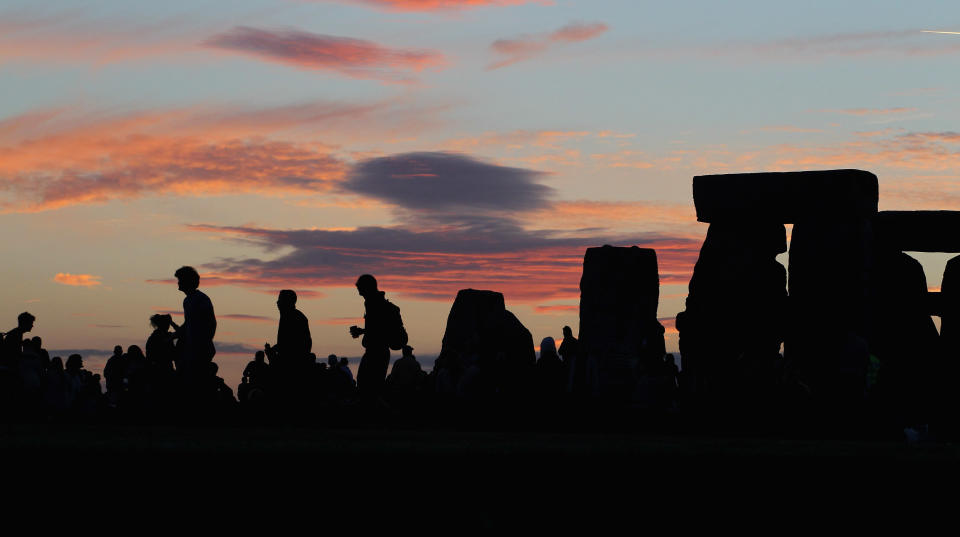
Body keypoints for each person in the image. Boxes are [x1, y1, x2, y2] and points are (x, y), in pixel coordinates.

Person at [349, 274, 401, 405]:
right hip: (377, 350)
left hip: (377, 351)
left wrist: (364, 332)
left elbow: (378, 328)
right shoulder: (374, 303)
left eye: (360, 288)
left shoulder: (374, 304)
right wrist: (363, 331)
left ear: (367, 287)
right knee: (370, 386)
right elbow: (378, 327)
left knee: (369, 386)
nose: (359, 292)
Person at [173, 266, 217, 378]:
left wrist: (203, 344)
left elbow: (211, 323)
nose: (178, 283)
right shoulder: (188, 300)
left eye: (180, 280)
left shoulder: (201, 299)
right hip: (190, 350)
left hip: (199, 351)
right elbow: (188, 324)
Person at [266, 290, 312, 373]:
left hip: (293, 364)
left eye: (280, 300)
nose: (277, 303)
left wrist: (275, 350)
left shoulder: (295, 317)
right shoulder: (287, 316)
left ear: (287, 302)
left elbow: (293, 343)